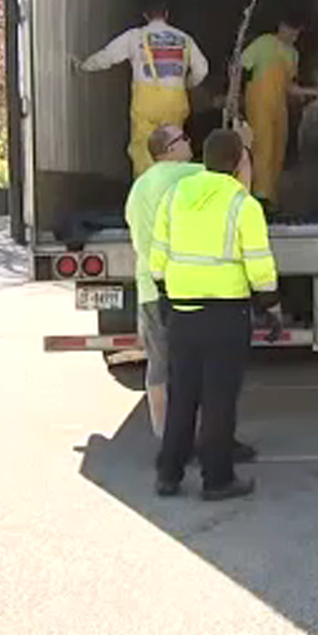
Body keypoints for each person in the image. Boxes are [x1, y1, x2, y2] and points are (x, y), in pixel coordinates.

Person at [149, 129, 277, 500]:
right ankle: (217, 479)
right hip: (225, 314)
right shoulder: (242, 204)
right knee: (219, 400)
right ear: (238, 162)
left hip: (182, 312)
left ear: (203, 160)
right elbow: (259, 263)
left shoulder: (175, 196)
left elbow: (158, 256)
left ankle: (168, 474)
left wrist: (167, 291)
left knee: (182, 396)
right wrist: (269, 304)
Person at [124, 125, 203, 437]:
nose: (189, 141)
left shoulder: (139, 187)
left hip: (148, 288)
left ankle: (164, 435)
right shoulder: (187, 175)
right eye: (184, 138)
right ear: (169, 150)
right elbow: (229, 176)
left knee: (158, 366)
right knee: (191, 366)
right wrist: (245, 145)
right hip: (182, 288)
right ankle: (193, 435)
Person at [74, 0, 210, 177]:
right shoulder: (185, 39)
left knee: (142, 148)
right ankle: (171, 186)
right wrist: (186, 84)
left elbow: (108, 57)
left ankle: (145, 186)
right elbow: (202, 69)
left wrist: (84, 66)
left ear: (145, 15)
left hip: (146, 102)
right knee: (173, 146)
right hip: (175, 101)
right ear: (167, 14)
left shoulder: (135, 36)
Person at [240, 13, 318, 205]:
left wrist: (314, 92)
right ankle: (260, 198)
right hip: (259, 105)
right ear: (282, 26)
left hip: (279, 108)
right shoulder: (263, 43)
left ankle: (272, 197)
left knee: (278, 150)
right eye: (292, 31)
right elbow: (239, 67)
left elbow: (290, 87)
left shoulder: (292, 54)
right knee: (263, 148)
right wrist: (232, 97)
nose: (294, 36)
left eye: (298, 33)